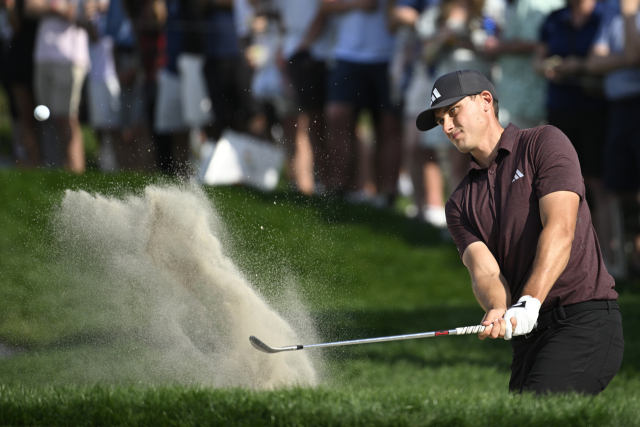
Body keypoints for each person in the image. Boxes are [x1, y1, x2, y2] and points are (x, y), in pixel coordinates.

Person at [416, 69, 623, 394]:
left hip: (584, 319)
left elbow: (561, 228)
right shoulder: (459, 203)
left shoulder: (544, 142)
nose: (447, 127)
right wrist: (498, 306)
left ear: (485, 101)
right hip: (530, 334)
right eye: (441, 120)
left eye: (453, 111)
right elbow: (484, 271)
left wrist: (528, 301)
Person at [533, 0, 610, 275]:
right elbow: (537, 61)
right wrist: (549, 66)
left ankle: (605, 258)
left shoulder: (606, 14)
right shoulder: (555, 18)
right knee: (564, 186)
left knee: (598, 183)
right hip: (561, 110)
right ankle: (574, 261)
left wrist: (578, 66)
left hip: (598, 109)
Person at [586, 0, 640, 277]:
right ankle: (627, 260)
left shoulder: (626, 11)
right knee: (619, 184)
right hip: (618, 109)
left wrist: (630, 16)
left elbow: (635, 54)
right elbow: (594, 61)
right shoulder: (611, 11)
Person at [26, 0, 92, 173]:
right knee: (46, 118)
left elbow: (83, 13)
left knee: (67, 117)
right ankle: (53, 170)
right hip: (43, 56)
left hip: (69, 58)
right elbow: (30, 7)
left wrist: (62, 10)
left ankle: (76, 172)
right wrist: (55, 8)